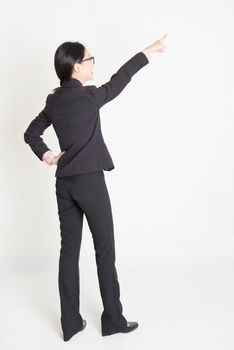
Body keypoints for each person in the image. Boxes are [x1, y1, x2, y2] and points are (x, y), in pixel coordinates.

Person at [23, 34, 167, 342]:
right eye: (89, 60)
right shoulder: (88, 97)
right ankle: (113, 319)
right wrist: (148, 52)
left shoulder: (54, 100)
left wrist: (50, 157)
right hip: (90, 182)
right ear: (76, 68)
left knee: (68, 253)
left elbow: (31, 133)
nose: (92, 65)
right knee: (105, 251)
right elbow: (121, 79)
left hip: (64, 184)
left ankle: (71, 323)